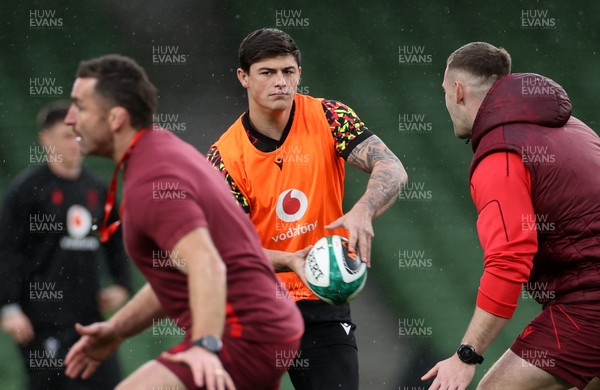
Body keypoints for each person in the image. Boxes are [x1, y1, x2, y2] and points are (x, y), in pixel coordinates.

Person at [62, 54, 304, 390]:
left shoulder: (152, 179)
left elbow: (207, 265)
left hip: (240, 334)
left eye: (80, 107)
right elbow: (181, 271)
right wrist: (118, 329)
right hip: (262, 328)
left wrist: (205, 346)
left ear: (116, 118)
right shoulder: (160, 151)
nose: (71, 119)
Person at [207, 28, 407, 389]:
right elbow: (226, 250)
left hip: (323, 298)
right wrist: (290, 259)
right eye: (267, 73)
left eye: (288, 71)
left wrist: (363, 209)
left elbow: (392, 168)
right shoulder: (224, 158)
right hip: (254, 309)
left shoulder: (330, 117)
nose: (281, 82)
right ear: (243, 77)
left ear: (299, 72)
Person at [422, 42, 600, 390]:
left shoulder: (501, 154)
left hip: (588, 306)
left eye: (443, 92)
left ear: (457, 91)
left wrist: (466, 356)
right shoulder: (574, 129)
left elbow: (508, 260)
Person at [0, 101, 131, 390]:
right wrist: (9, 307)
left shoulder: (97, 190)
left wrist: (121, 286)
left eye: (78, 135)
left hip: (90, 322)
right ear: (45, 139)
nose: (74, 143)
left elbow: (116, 241)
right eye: (65, 136)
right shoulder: (27, 191)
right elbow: (6, 251)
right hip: (43, 321)